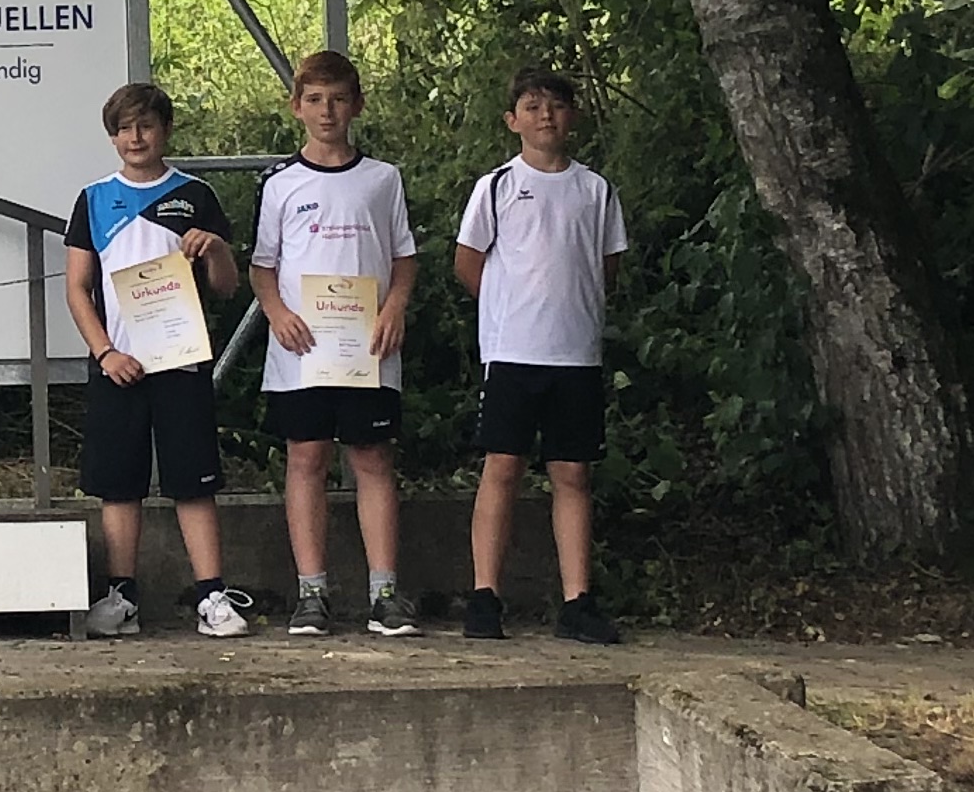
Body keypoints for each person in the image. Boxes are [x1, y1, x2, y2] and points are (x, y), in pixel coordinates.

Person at [63, 79, 250, 638]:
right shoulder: (94, 199)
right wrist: (105, 352)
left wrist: (216, 249)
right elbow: (77, 288)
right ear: (112, 137)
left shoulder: (196, 195)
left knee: (193, 482)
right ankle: (122, 597)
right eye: (124, 129)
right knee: (119, 485)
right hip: (119, 366)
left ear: (165, 130)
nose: (136, 138)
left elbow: (226, 286)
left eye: (145, 126)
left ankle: (212, 596)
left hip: (181, 362)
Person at [451, 65, 629, 643]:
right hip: (513, 352)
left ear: (572, 116)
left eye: (555, 105)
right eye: (532, 106)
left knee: (572, 472)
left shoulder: (596, 190)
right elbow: (468, 263)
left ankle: (578, 602)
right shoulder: (497, 186)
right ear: (513, 120)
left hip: (576, 354)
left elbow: (607, 267)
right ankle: (484, 596)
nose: (545, 116)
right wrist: (509, 309)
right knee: (502, 466)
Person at [250, 49, 420, 636]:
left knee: (372, 459)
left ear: (357, 105)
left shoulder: (383, 179)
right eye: (316, 100)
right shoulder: (279, 183)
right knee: (306, 458)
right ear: (296, 107)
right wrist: (277, 314)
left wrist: (394, 307)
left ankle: (385, 593)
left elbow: (403, 257)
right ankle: (311, 593)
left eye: (339, 100)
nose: (327, 112)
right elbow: (262, 266)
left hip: (368, 347)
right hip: (302, 351)